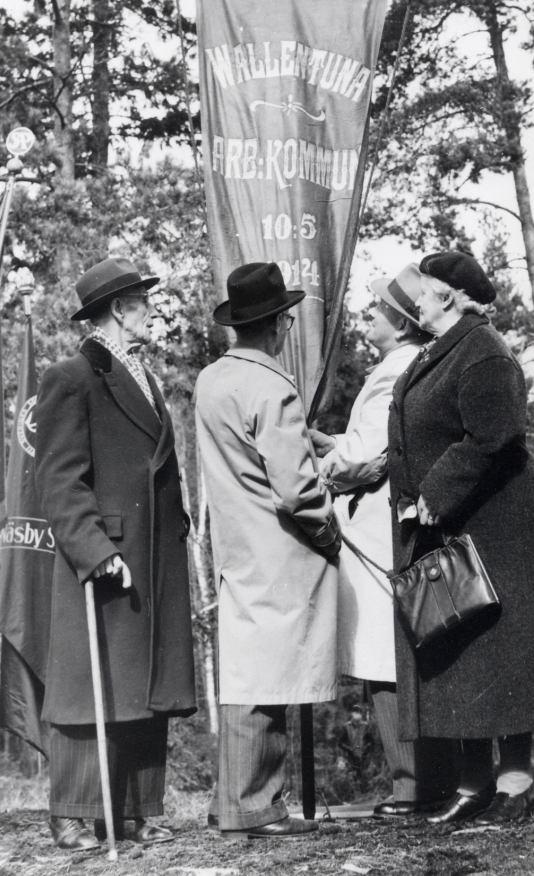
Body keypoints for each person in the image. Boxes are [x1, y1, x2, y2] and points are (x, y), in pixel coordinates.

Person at [35, 257, 196, 851]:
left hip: (155, 554)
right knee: (92, 678)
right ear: (120, 310)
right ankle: (73, 812)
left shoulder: (144, 376)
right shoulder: (72, 376)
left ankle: (134, 808)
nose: (151, 312)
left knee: (145, 680)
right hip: (106, 555)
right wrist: (92, 549)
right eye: (144, 303)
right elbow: (59, 480)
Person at [388, 250, 534, 825]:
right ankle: (475, 784)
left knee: (499, 659)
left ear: (449, 296)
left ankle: (516, 783)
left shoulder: (484, 351)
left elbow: (495, 434)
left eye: (424, 292)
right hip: (449, 526)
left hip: (495, 527)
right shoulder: (440, 349)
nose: (416, 301)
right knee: (462, 655)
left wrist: (436, 490)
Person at [194, 261, 341, 840]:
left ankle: (233, 800)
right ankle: (255, 805)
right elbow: (297, 489)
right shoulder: (274, 385)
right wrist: (329, 531)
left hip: (237, 545)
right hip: (282, 547)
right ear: (280, 323)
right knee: (271, 680)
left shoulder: (212, 379)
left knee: (245, 676)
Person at [310, 264, 458, 817]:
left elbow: (363, 459)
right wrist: (336, 444)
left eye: (376, 310)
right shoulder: (415, 362)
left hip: (376, 535)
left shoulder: (393, 368)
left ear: (398, 323)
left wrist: (322, 462)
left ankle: (411, 786)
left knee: (383, 657)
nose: (369, 317)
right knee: (410, 652)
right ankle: (428, 782)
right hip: (399, 528)